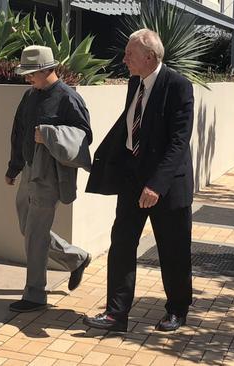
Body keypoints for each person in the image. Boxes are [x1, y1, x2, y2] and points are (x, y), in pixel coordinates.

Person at [83, 29, 194, 332]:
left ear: (149, 56)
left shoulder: (179, 86)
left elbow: (179, 142)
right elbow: (132, 126)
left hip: (167, 185)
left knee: (173, 250)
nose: (124, 59)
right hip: (133, 180)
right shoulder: (135, 83)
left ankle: (177, 309)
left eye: (129, 54)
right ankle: (116, 314)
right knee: (121, 244)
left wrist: (156, 184)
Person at [5, 45, 93, 313]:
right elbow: (19, 131)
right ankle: (76, 258)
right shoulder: (30, 95)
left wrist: (50, 135)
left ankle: (34, 294)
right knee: (28, 228)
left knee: (35, 233)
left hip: (50, 174)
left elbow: (83, 136)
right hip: (30, 169)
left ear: (46, 70)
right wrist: (14, 167)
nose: (27, 78)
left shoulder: (68, 98)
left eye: (31, 73)